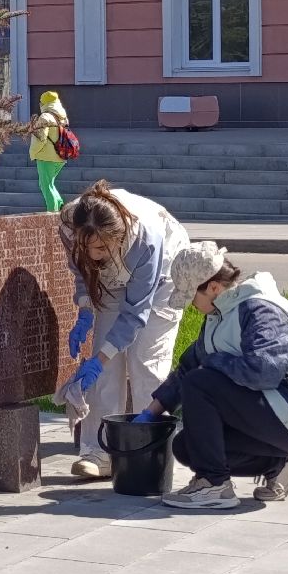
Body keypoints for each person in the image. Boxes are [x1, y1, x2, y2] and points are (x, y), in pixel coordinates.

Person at [141, 242, 288, 511]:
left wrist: (212, 365)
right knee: (187, 446)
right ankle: (281, 465)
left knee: (200, 382)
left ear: (214, 287)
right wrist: (149, 415)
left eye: (193, 297)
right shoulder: (219, 315)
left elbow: (265, 371)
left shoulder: (259, 310)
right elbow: (187, 368)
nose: (192, 306)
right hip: (272, 412)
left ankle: (214, 486)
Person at [59, 180, 189, 479]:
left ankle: (149, 451)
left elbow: (135, 313)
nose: (93, 253)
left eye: (101, 247)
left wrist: (98, 359)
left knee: (146, 362)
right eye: (87, 246)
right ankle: (99, 451)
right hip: (114, 274)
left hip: (163, 275)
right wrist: (86, 311)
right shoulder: (70, 224)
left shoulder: (147, 240)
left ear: (118, 236)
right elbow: (83, 271)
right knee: (105, 363)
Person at [29, 90, 69, 212]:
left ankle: (52, 213)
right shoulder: (62, 116)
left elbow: (40, 139)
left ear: (44, 103)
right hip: (60, 156)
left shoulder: (45, 117)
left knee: (46, 186)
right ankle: (60, 206)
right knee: (49, 184)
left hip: (46, 157)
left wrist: (33, 153)